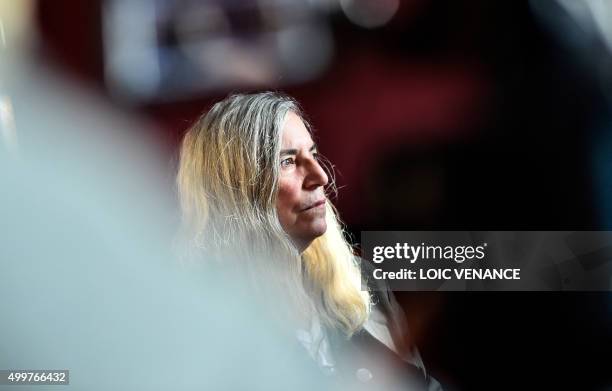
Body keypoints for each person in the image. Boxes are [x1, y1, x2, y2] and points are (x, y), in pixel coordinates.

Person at [176, 92, 443, 390]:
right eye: (288, 161)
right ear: (233, 188)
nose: (320, 176)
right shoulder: (198, 319)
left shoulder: (363, 280)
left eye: (313, 155)